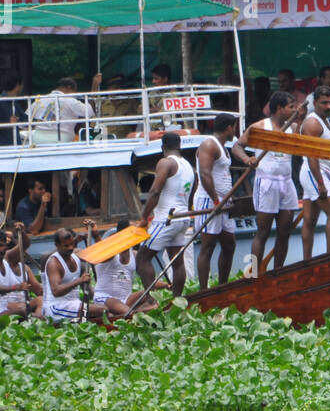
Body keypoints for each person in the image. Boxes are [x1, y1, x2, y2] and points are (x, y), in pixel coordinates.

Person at [241, 92, 301, 274]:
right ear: (279, 109)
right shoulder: (260, 127)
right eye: (291, 106)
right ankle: (255, 275)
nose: (294, 110)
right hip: (266, 183)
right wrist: (247, 160)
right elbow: (238, 146)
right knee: (263, 232)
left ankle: (278, 274)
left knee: (284, 231)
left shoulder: (294, 127)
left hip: (286, 182)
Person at [193, 114, 252, 291]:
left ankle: (222, 287)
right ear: (228, 128)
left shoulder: (223, 148)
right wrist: (216, 200)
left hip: (224, 203)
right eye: (234, 127)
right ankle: (204, 291)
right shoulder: (209, 145)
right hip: (210, 202)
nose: (235, 131)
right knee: (208, 247)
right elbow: (204, 174)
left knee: (229, 244)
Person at [137, 131, 196, 297]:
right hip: (183, 217)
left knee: (142, 258)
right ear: (179, 146)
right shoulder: (189, 167)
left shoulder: (165, 162)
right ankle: (176, 300)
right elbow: (192, 193)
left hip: (167, 218)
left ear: (163, 147)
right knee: (177, 262)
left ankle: (150, 300)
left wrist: (144, 217)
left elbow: (155, 191)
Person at [299, 86, 330, 261]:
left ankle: (306, 261)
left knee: (310, 219)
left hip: (323, 171)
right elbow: (311, 156)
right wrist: (320, 183)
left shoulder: (325, 121)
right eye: (324, 103)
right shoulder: (312, 123)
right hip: (313, 172)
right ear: (315, 103)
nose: (328, 106)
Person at [84, 219, 158, 318]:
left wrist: (166, 285)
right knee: (130, 313)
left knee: (149, 295)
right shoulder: (111, 251)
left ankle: (121, 314)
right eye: (132, 230)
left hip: (126, 300)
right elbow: (102, 251)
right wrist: (96, 234)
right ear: (122, 233)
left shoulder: (134, 255)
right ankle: (133, 313)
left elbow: (148, 279)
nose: (136, 232)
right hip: (106, 298)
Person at [0, 229, 41, 321]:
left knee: (35, 312)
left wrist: (21, 231)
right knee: (21, 312)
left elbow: (25, 244)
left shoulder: (6, 259)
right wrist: (16, 287)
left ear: (6, 246)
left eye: (1, 245)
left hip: (4, 310)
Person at [42, 228, 102, 322]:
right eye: (66, 246)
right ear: (57, 245)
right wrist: (79, 281)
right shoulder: (54, 263)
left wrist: (100, 297)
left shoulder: (77, 260)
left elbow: (88, 291)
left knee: (105, 309)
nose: (70, 248)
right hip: (56, 308)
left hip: (74, 305)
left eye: (72, 244)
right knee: (102, 311)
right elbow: (56, 291)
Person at [28, 75, 101, 142]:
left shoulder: (40, 100)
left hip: (37, 138)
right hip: (62, 138)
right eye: (74, 91)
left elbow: (25, 121)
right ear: (69, 88)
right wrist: (94, 87)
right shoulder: (71, 101)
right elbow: (89, 112)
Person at [0, 73, 25, 147]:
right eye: (22, 84)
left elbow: (24, 117)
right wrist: (9, 125)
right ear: (17, 85)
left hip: (11, 145)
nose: (23, 87)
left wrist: (39, 121)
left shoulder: (14, 101)